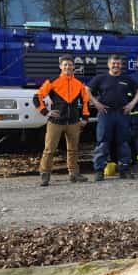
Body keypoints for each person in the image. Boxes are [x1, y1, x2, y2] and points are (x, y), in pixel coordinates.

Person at [34, 55, 90, 186]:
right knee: (49, 149)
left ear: (73, 67)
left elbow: (85, 101)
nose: (67, 67)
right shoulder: (53, 81)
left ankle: (74, 174)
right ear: (60, 66)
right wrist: (46, 112)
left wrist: (85, 118)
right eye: (65, 65)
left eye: (70, 65)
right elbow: (37, 97)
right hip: (56, 121)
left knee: (73, 149)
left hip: (74, 122)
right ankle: (45, 175)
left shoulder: (79, 83)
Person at [88, 55, 138, 181]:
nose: (116, 66)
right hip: (106, 114)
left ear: (121, 65)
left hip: (122, 114)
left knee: (123, 142)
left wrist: (131, 104)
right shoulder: (101, 78)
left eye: (118, 64)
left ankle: (124, 169)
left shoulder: (126, 79)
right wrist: (96, 103)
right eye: (113, 63)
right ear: (108, 64)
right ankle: (99, 170)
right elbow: (87, 90)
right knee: (103, 142)